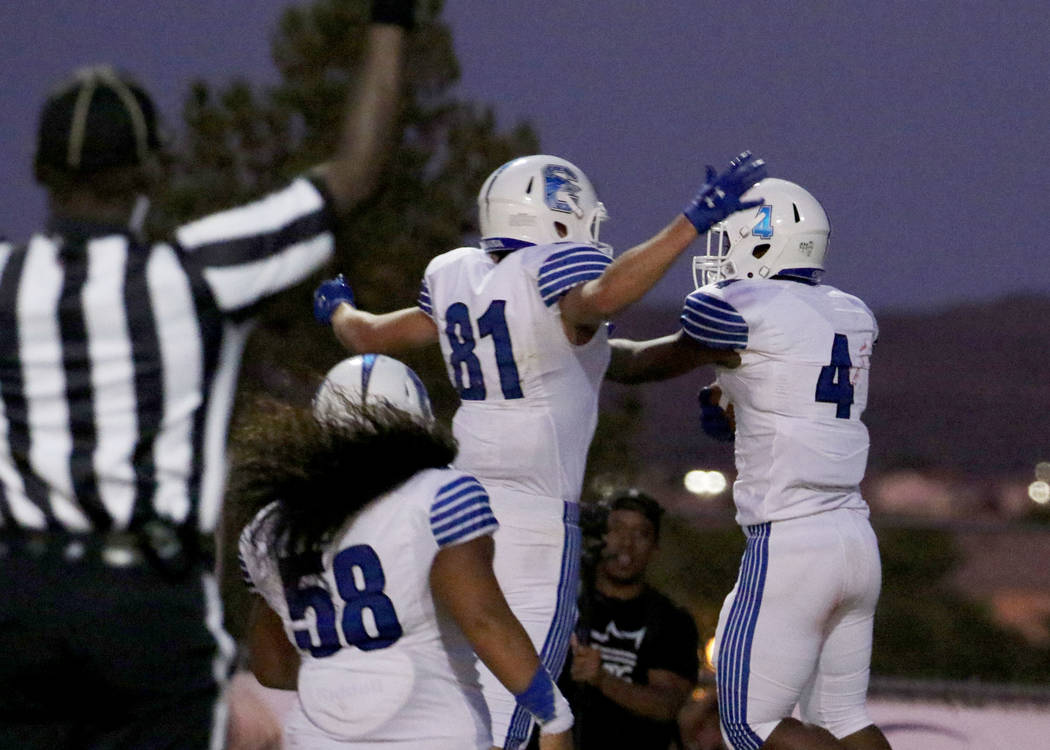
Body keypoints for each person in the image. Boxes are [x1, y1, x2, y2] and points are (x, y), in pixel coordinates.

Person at [0, 3, 413, 747]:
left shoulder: (7, 278)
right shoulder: (196, 273)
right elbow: (354, 175)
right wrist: (392, 18)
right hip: (146, 601)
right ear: (151, 167)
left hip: (22, 595)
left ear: (38, 169)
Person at [311, 152, 766, 748]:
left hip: (456, 510)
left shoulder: (457, 277)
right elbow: (601, 299)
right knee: (514, 709)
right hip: (533, 521)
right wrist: (688, 224)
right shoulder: (553, 276)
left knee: (456, 687)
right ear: (556, 221)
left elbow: (368, 334)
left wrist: (337, 307)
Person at [604, 178, 893, 750]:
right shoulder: (849, 312)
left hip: (791, 542)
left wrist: (583, 343)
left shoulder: (744, 306)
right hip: (855, 540)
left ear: (763, 243)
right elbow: (787, 383)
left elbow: (642, 364)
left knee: (746, 724)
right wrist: (735, 403)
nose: (719, 258)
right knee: (843, 718)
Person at [235, 354, 574, 750]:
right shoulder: (437, 495)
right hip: (432, 733)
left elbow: (271, 666)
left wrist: (349, 670)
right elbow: (484, 619)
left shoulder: (269, 527)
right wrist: (552, 714)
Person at [567, 490, 700, 750]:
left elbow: (668, 703)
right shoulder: (565, 602)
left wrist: (603, 679)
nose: (626, 543)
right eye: (616, 529)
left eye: (641, 533)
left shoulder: (672, 621)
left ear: (655, 547)